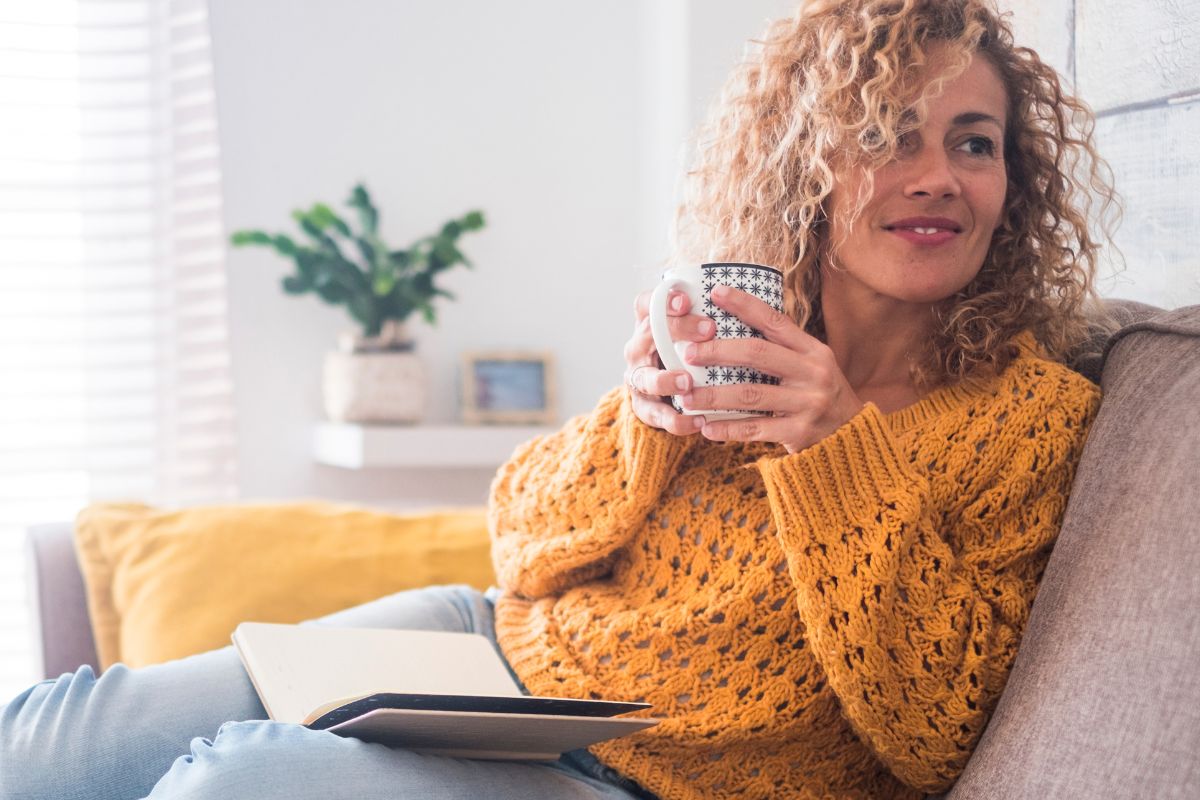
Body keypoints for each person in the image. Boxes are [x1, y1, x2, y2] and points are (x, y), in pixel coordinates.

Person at [0, 1, 1117, 798]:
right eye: (886, 135)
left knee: (234, 783)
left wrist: (832, 448)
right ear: (807, 169)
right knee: (52, 739)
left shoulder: (1032, 418)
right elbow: (524, 543)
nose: (937, 174)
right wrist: (638, 418)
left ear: (1011, 184)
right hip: (483, 651)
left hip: (637, 777)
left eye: (974, 143)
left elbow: (939, 731)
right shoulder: (734, 329)